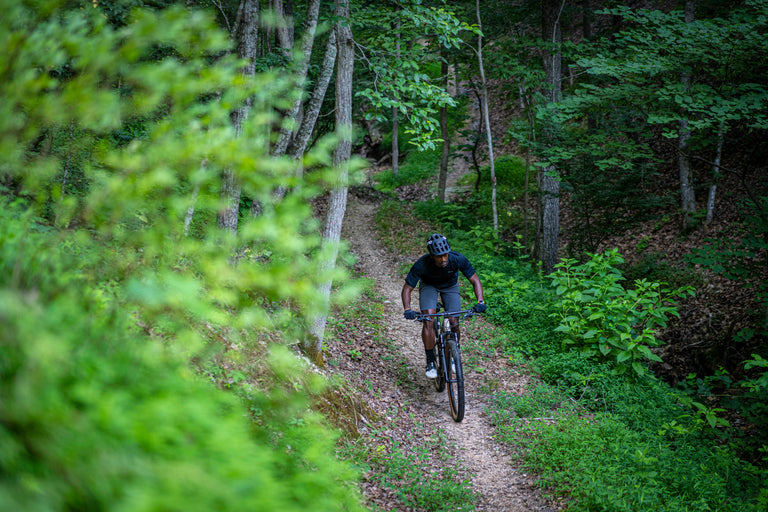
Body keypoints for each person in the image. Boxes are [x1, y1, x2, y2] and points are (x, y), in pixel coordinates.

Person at [401, 233, 486, 379]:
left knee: (454, 321)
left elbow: (475, 280)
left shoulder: (457, 259)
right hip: (429, 286)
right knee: (428, 319)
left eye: (445, 255)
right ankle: (431, 361)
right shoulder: (422, 264)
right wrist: (407, 309)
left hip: (450, 286)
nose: (443, 259)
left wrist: (480, 301)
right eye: (439, 256)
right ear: (431, 255)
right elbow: (407, 288)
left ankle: (454, 355)